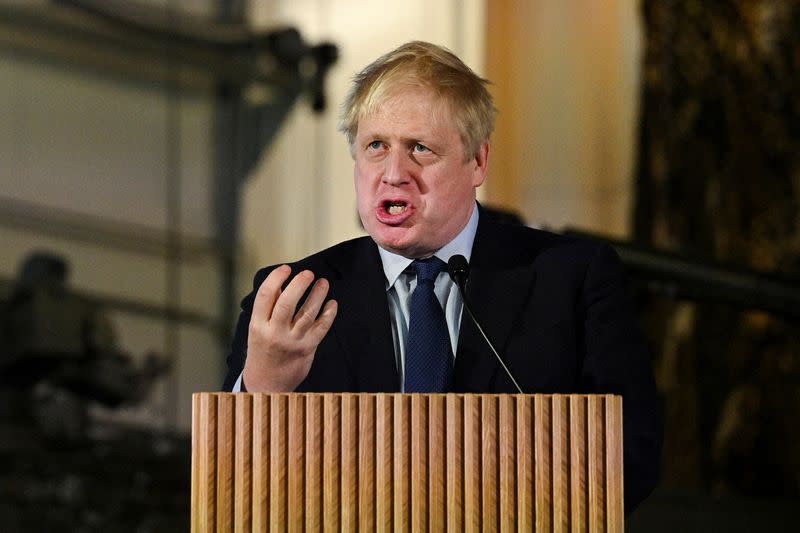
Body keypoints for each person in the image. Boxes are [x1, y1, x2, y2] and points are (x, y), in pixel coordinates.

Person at [222, 41, 661, 512]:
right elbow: (227, 488)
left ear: (477, 162)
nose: (393, 173)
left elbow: (631, 455)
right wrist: (263, 388)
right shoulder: (293, 297)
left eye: (420, 149)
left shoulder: (571, 279)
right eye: (375, 146)